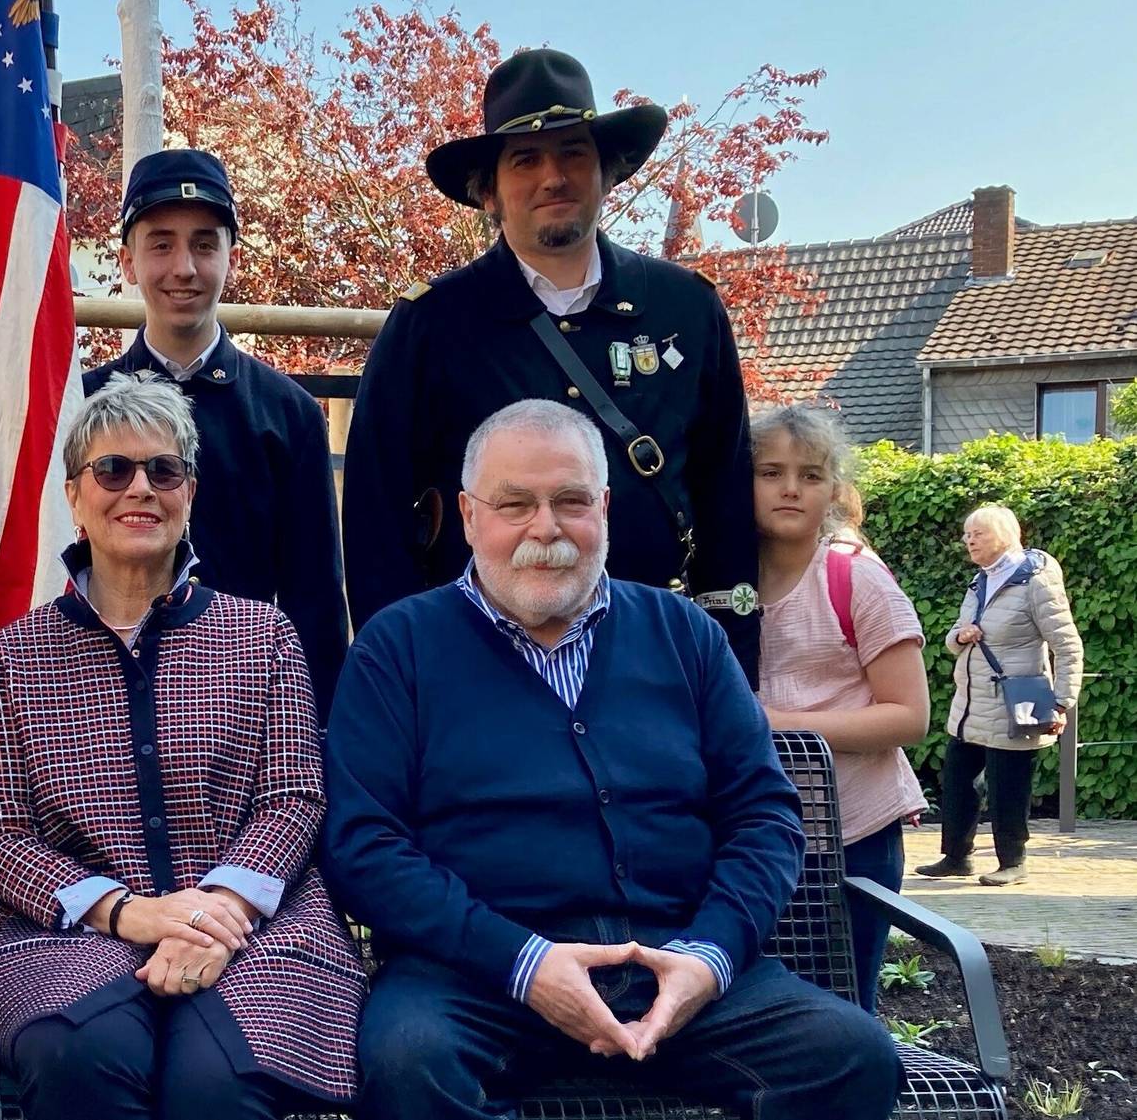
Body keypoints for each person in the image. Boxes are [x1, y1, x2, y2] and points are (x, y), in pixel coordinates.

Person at [325, 400, 899, 1119]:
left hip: (675, 959)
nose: (546, 528)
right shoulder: (398, 647)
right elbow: (362, 846)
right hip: (477, 974)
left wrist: (710, 957)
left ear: (604, 506)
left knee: (851, 1057)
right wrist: (524, 962)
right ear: (469, 517)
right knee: (407, 1064)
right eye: (515, 504)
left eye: (570, 501)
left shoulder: (684, 633)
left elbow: (766, 814)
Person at [0, 373, 364, 1119]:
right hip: (68, 934)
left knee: (217, 1079)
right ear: (76, 498)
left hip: (253, 924)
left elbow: (294, 795)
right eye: (112, 469)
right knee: (80, 1055)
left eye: (163, 469)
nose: (138, 488)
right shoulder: (14, 655)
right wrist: (127, 912)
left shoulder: (263, 635)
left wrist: (216, 907)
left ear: (190, 492)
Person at [343, 48, 762, 681]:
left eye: (573, 153)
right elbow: (377, 516)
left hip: (659, 661)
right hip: (483, 666)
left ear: (607, 171)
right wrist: (407, 678)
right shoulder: (430, 324)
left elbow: (726, 494)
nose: (553, 177)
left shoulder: (687, 308)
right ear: (489, 189)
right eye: (526, 159)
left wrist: (732, 666)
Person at [82, 151, 350, 715]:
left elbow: (315, 606)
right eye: (161, 243)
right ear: (128, 261)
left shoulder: (288, 415)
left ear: (232, 257)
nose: (184, 267)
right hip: (97, 700)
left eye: (205, 244)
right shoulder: (81, 408)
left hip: (243, 709)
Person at [749, 405, 928, 1009]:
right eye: (770, 472)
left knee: (845, 1008)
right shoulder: (720, 583)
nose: (791, 488)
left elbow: (909, 716)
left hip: (852, 833)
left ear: (835, 491)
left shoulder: (857, 581)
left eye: (812, 475)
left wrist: (778, 726)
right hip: (756, 835)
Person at [916, 504, 1084, 887]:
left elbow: (1068, 645)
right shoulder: (980, 581)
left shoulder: (1036, 582)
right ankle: (956, 857)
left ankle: (1014, 861)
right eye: (966, 535)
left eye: (977, 534)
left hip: (1018, 701)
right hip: (970, 702)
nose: (968, 541)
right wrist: (960, 636)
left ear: (1003, 536)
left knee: (1009, 784)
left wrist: (1061, 703)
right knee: (958, 779)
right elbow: (955, 636)